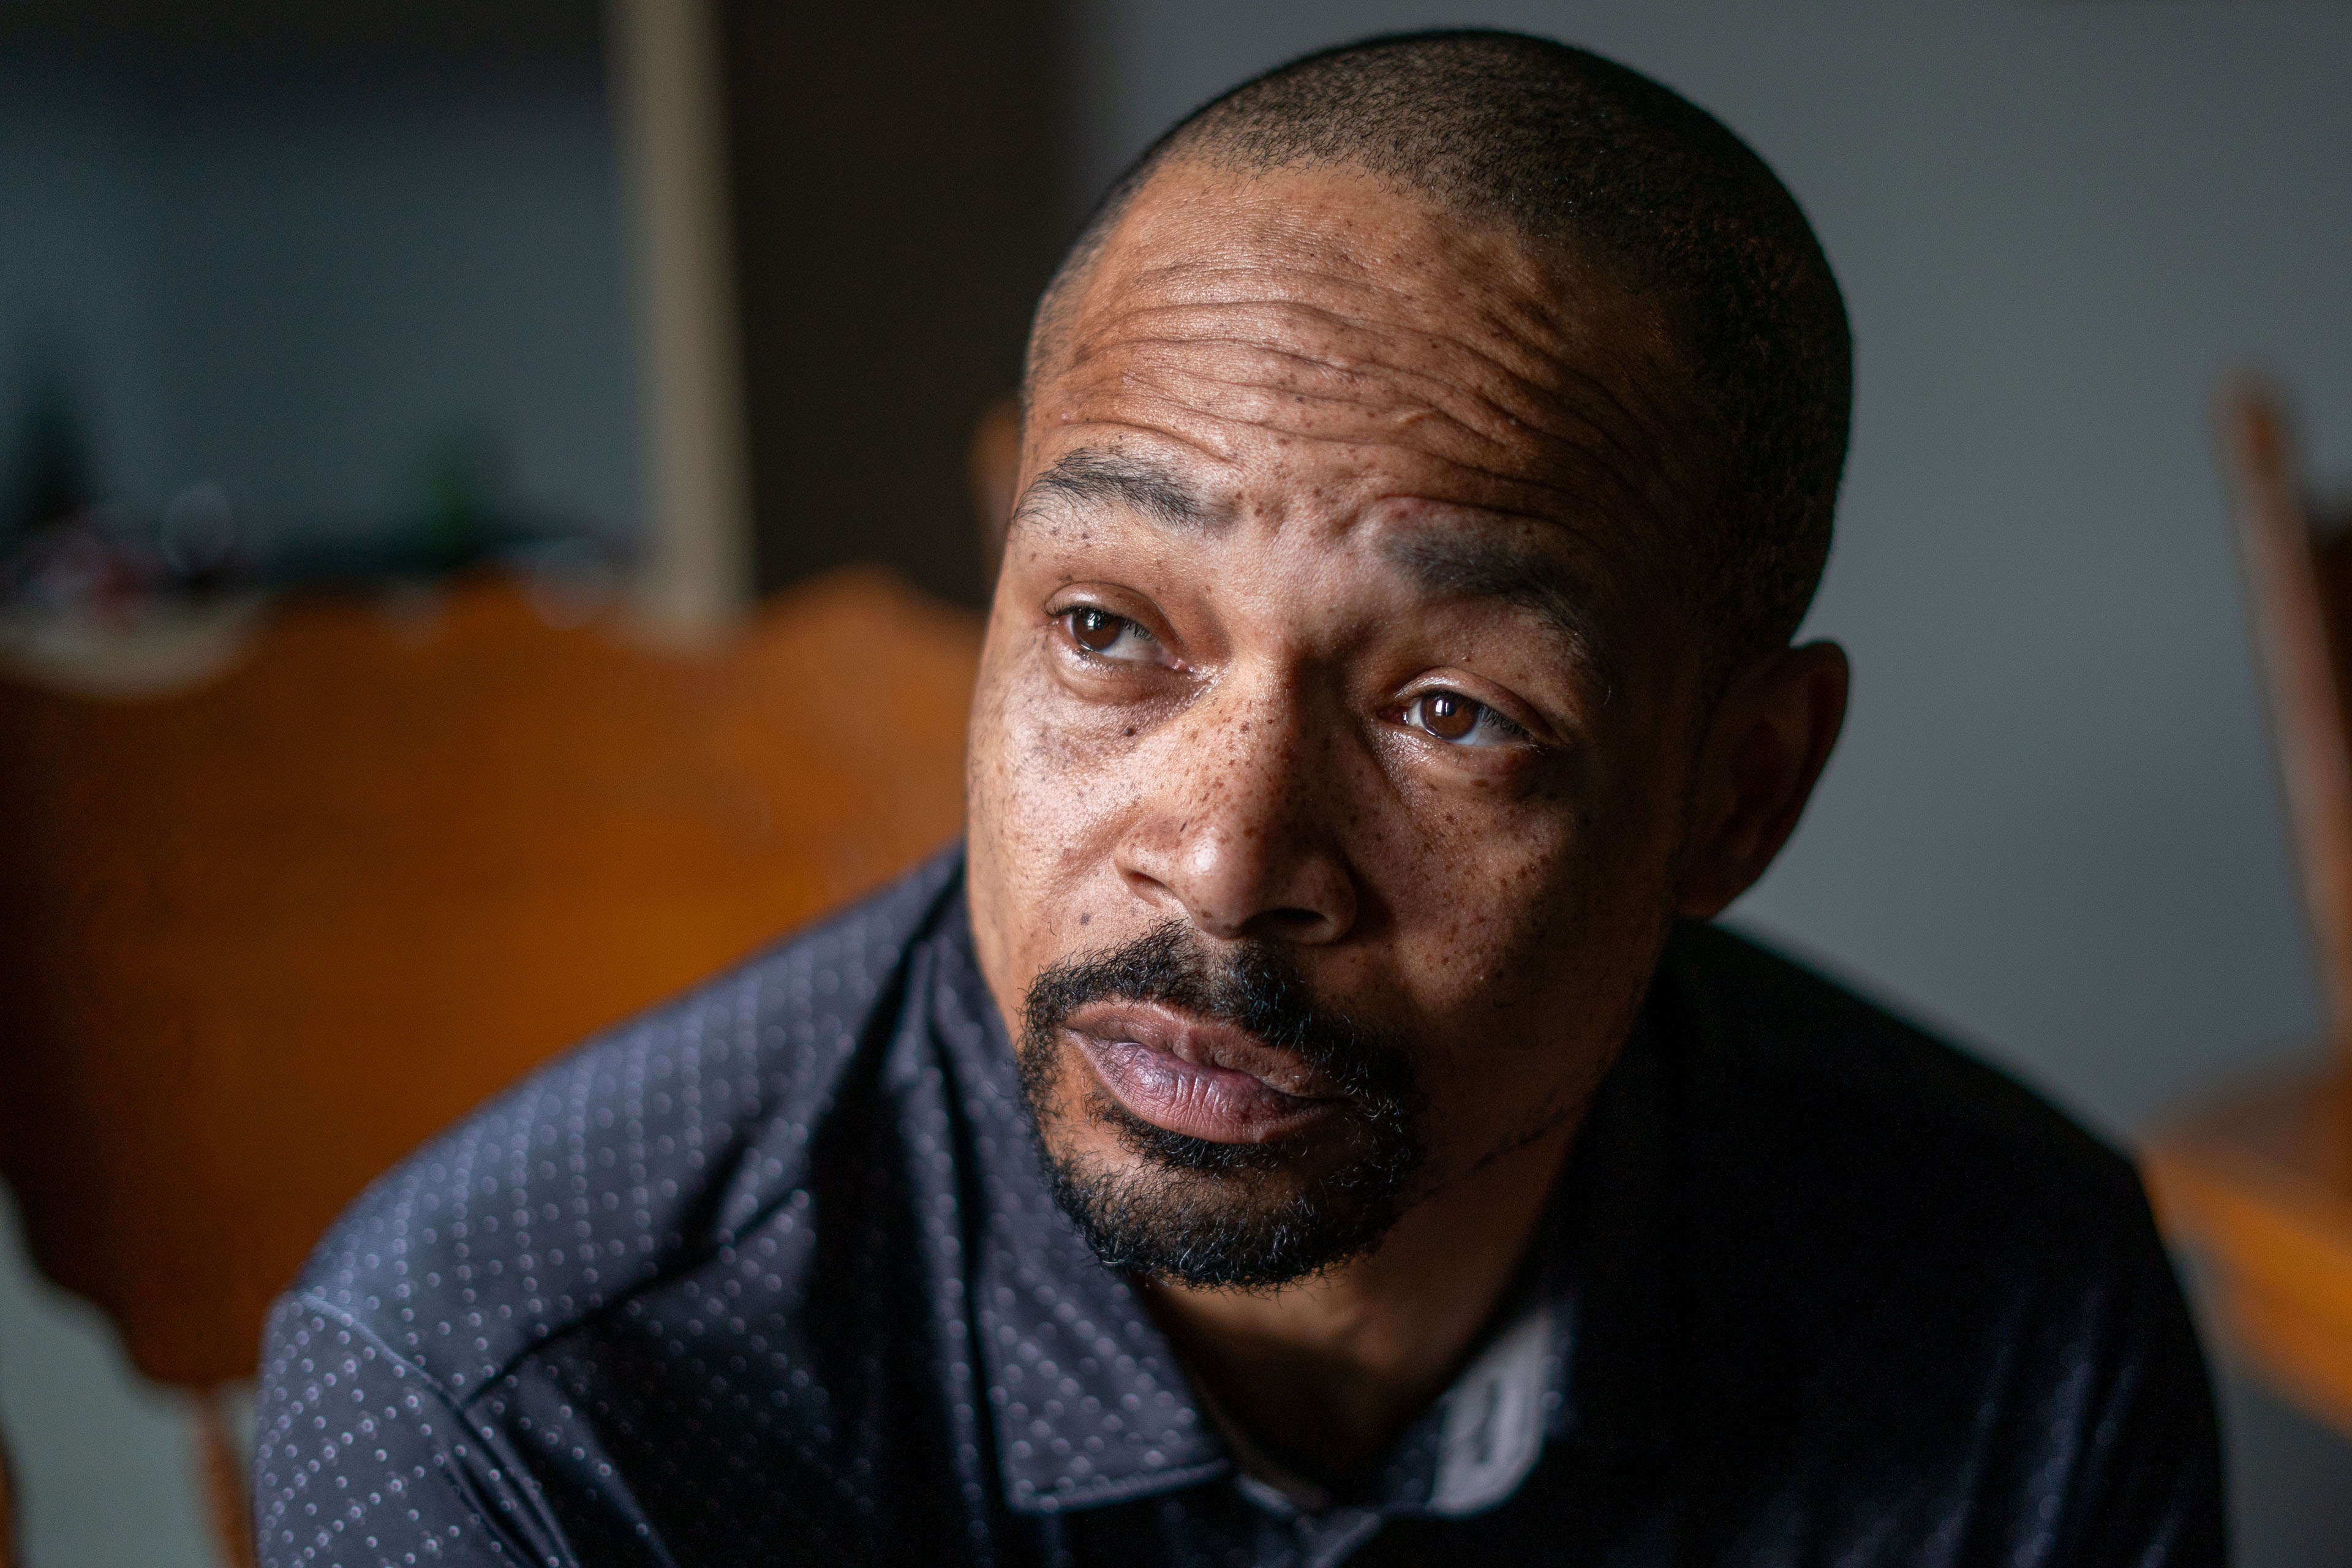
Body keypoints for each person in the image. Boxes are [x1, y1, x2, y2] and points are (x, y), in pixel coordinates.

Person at [253, 31, 2221, 1567]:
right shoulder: (518, 1401)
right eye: (1110, 628)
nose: (1221, 856)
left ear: (1740, 791)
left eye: (1450, 710)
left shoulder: (2006, 1306)